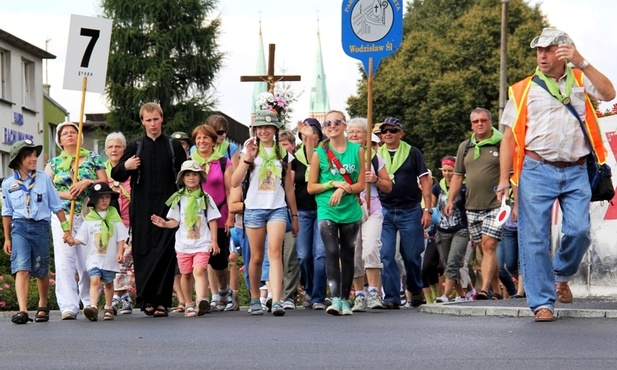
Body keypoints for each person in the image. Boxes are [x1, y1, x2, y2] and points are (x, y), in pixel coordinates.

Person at [498, 28, 615, 322]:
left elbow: (609, 93)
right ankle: (542, 304)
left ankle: (561, 273)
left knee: (579, 231)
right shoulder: (523, 88)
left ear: (564, 52)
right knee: (534, 238)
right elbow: (509, 138)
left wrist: (582, 61)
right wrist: (503, 180)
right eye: (539, 50)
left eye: (549, 50)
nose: (542, 55)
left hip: (577, 169)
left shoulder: (579, 79)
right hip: (536, 170)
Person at [111, 102, 187, 317]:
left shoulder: (173, 145)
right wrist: (126, 166)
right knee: (143, 251)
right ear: (142, 121)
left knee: (165, 254)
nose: (153, 124)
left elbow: (186, 175)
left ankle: (162, 301)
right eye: (148, 120)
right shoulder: (136, 146)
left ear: (162, 119)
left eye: (156, 119)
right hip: (142, 207)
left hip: (168, 206)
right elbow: (117, 174)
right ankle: (146, 300)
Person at [231, 109, 299, 316]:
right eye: (260, 127)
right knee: (257, 256)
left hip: (277, 208)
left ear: (275, 130)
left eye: (268, 127)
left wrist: (294, 216)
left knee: (275, 252)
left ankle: (277, 300)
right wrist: (247, 160)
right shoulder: (249, 150)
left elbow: (288, 188)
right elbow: (234, 182)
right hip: (254, 208)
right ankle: (254, 298)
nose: (264, 131)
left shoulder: (283, 153)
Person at [2, 140, 72, 324]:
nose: (34, 159)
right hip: (19, 228)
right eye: (29, 156)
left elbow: (57, 206)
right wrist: (7, 238)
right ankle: (23, 310)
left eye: (35, 155)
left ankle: (42, 304)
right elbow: (7, 212)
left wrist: (66, 230)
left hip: (40, 227)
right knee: (21, 268)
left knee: (41, 269)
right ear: (19, 159)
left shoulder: (44, 179)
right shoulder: (8, 184)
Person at [45, 121, 108, 320]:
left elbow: (105, 182)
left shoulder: (93, 158)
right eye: (66, 133)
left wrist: (88, 182)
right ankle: (68, 306)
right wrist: (65, 195)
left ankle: (90, 302)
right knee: (65, 261)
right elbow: (46, 190)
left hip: (88, 215)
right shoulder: (53, 164)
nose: (71, 135)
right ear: (60, 141)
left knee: (88, 260)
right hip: (62, 216)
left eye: (74, 132)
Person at [307, 110, 365, 316]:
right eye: (328, 123)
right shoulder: (319, 154)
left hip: (350, 209)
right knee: (331, 251)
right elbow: (311, 187)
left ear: (344, 125)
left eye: (336, 122)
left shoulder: (357, 150)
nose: (332, 125)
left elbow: (360, 184)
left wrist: (343, 188)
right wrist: (332, 183)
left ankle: (345, 299)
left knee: (347, 254)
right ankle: (335, 299)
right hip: (327, 208)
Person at [151, 160, 221, 317]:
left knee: (200, 270)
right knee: (186, 274)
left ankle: (201, 301)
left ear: (200, 178)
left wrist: (214, 240)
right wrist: (164, 223)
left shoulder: (205, 197)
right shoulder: (178, 198)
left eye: (195, 175)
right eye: (188, 175)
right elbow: (175, 221)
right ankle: (188, 303)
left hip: (202, 242)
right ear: (182, 179)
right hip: (183, 244)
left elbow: (212, 220)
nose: (191, 178)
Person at [377, 117, 433, 309]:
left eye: (393, 130)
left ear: (401, 133)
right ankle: (392, 296)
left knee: (411, 255)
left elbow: (426, 180)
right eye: (384, 131)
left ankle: (415, 290)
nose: (388, 134)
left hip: (410, 209)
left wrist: (427, 209)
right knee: (386, 254)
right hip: (385, 210)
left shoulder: (412, 152)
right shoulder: (376, 153)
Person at [346, 119, 392, 311]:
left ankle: (374, 292)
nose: (355, 135)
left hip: (372, 209)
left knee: (371, 247)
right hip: (349, 209)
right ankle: (359, 295)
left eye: (359, 132)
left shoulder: (374, 158)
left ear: (366, 136)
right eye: (351, 132)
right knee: (354, 253)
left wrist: (375, 179)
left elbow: (388, 186)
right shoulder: (342, 157)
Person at [68, 183, 128, 321]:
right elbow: (82, 237)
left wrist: (120, 252)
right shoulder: (90, 219)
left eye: (107, 197)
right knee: (94, 280)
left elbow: (120, 237)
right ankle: (93, 307)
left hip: (109, 258)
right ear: (94, 201)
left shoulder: (114, 217)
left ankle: (108, 307)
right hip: (94, 257)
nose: (105, 200)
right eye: (101, 198)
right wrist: (73, 240)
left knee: (108, 282)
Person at [190, 124, 233, 311]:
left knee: (219, 261)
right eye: (198, 138)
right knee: (201, 258)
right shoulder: (190, 162)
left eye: (205, 138)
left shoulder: (223, 162)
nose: (201, 141)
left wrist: (231, 215)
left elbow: (231, 190)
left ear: (214, 141)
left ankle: (224, 290)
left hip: (220, 214)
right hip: (197, 217)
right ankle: (208, 297)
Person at [291, 118, 328, 310]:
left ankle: (318, 297)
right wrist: (293, 214)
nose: (308, 137)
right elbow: (289, 186)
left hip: (323, 209)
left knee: (320, 254)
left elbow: (313, 156)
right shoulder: (294, 158)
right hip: (303, 211)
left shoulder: (325, 155)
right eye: (304, 134)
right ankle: (310, 289)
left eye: (313, 133)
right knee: (304, 255)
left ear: (319, 136)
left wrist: (311, 142)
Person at [104, 132, 135, 315]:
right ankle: (122, 298)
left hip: (131, 222)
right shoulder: (102, 171)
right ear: (106, 151)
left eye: (118, 146)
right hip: (110, 224)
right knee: (114, 260)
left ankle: (119, 297)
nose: (114, 150)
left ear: (124, 149)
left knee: (125, 259)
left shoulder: (131, 169)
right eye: (110, 147)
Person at [433, 156, 469, 303]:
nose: (447, 174)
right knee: (448, 264)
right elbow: (432, 207)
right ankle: (461, 295)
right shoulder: (437, 187)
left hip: (460, 229)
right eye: (445, 170)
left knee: (454, 262)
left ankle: (446, 295)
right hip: (442, 230)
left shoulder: (464, 187)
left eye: (451, 171)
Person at [278, 129, 302, 310]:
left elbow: (291, 189)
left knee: (291, 256)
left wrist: (295, 216)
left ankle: (289, 295)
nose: (282, 147)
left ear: (292, 146)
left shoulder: (298, 163)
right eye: (279, 143)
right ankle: (275, 295)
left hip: (293, 211)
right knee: (274, 255)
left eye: (285, 144)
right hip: (274, 212)